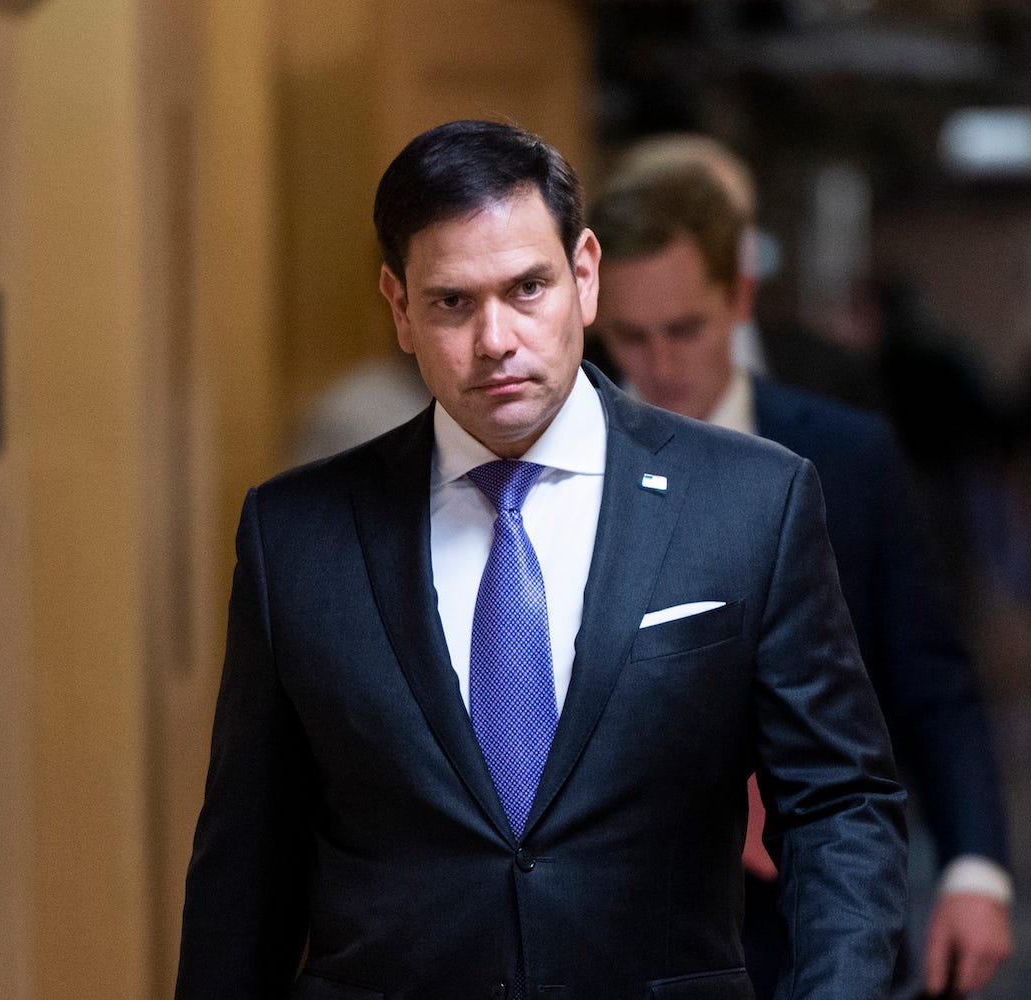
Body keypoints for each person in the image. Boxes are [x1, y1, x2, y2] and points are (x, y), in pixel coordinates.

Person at [175, 120, 909, 999]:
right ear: (399, 306)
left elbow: (837, 805)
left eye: (528, 288)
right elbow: (247, 862)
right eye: (452, 301)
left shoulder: (751, 502)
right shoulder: (296, 536)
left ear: (585, 274)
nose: (496, 340)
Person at [587, 153, 1011, 998]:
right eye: (632, 337)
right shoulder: (566, 469)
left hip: (816, 908)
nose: (661, 363)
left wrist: (974, 868)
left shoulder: (850, 457)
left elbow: (931, 680)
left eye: (687, 329)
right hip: (623, 919)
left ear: (740, 300)